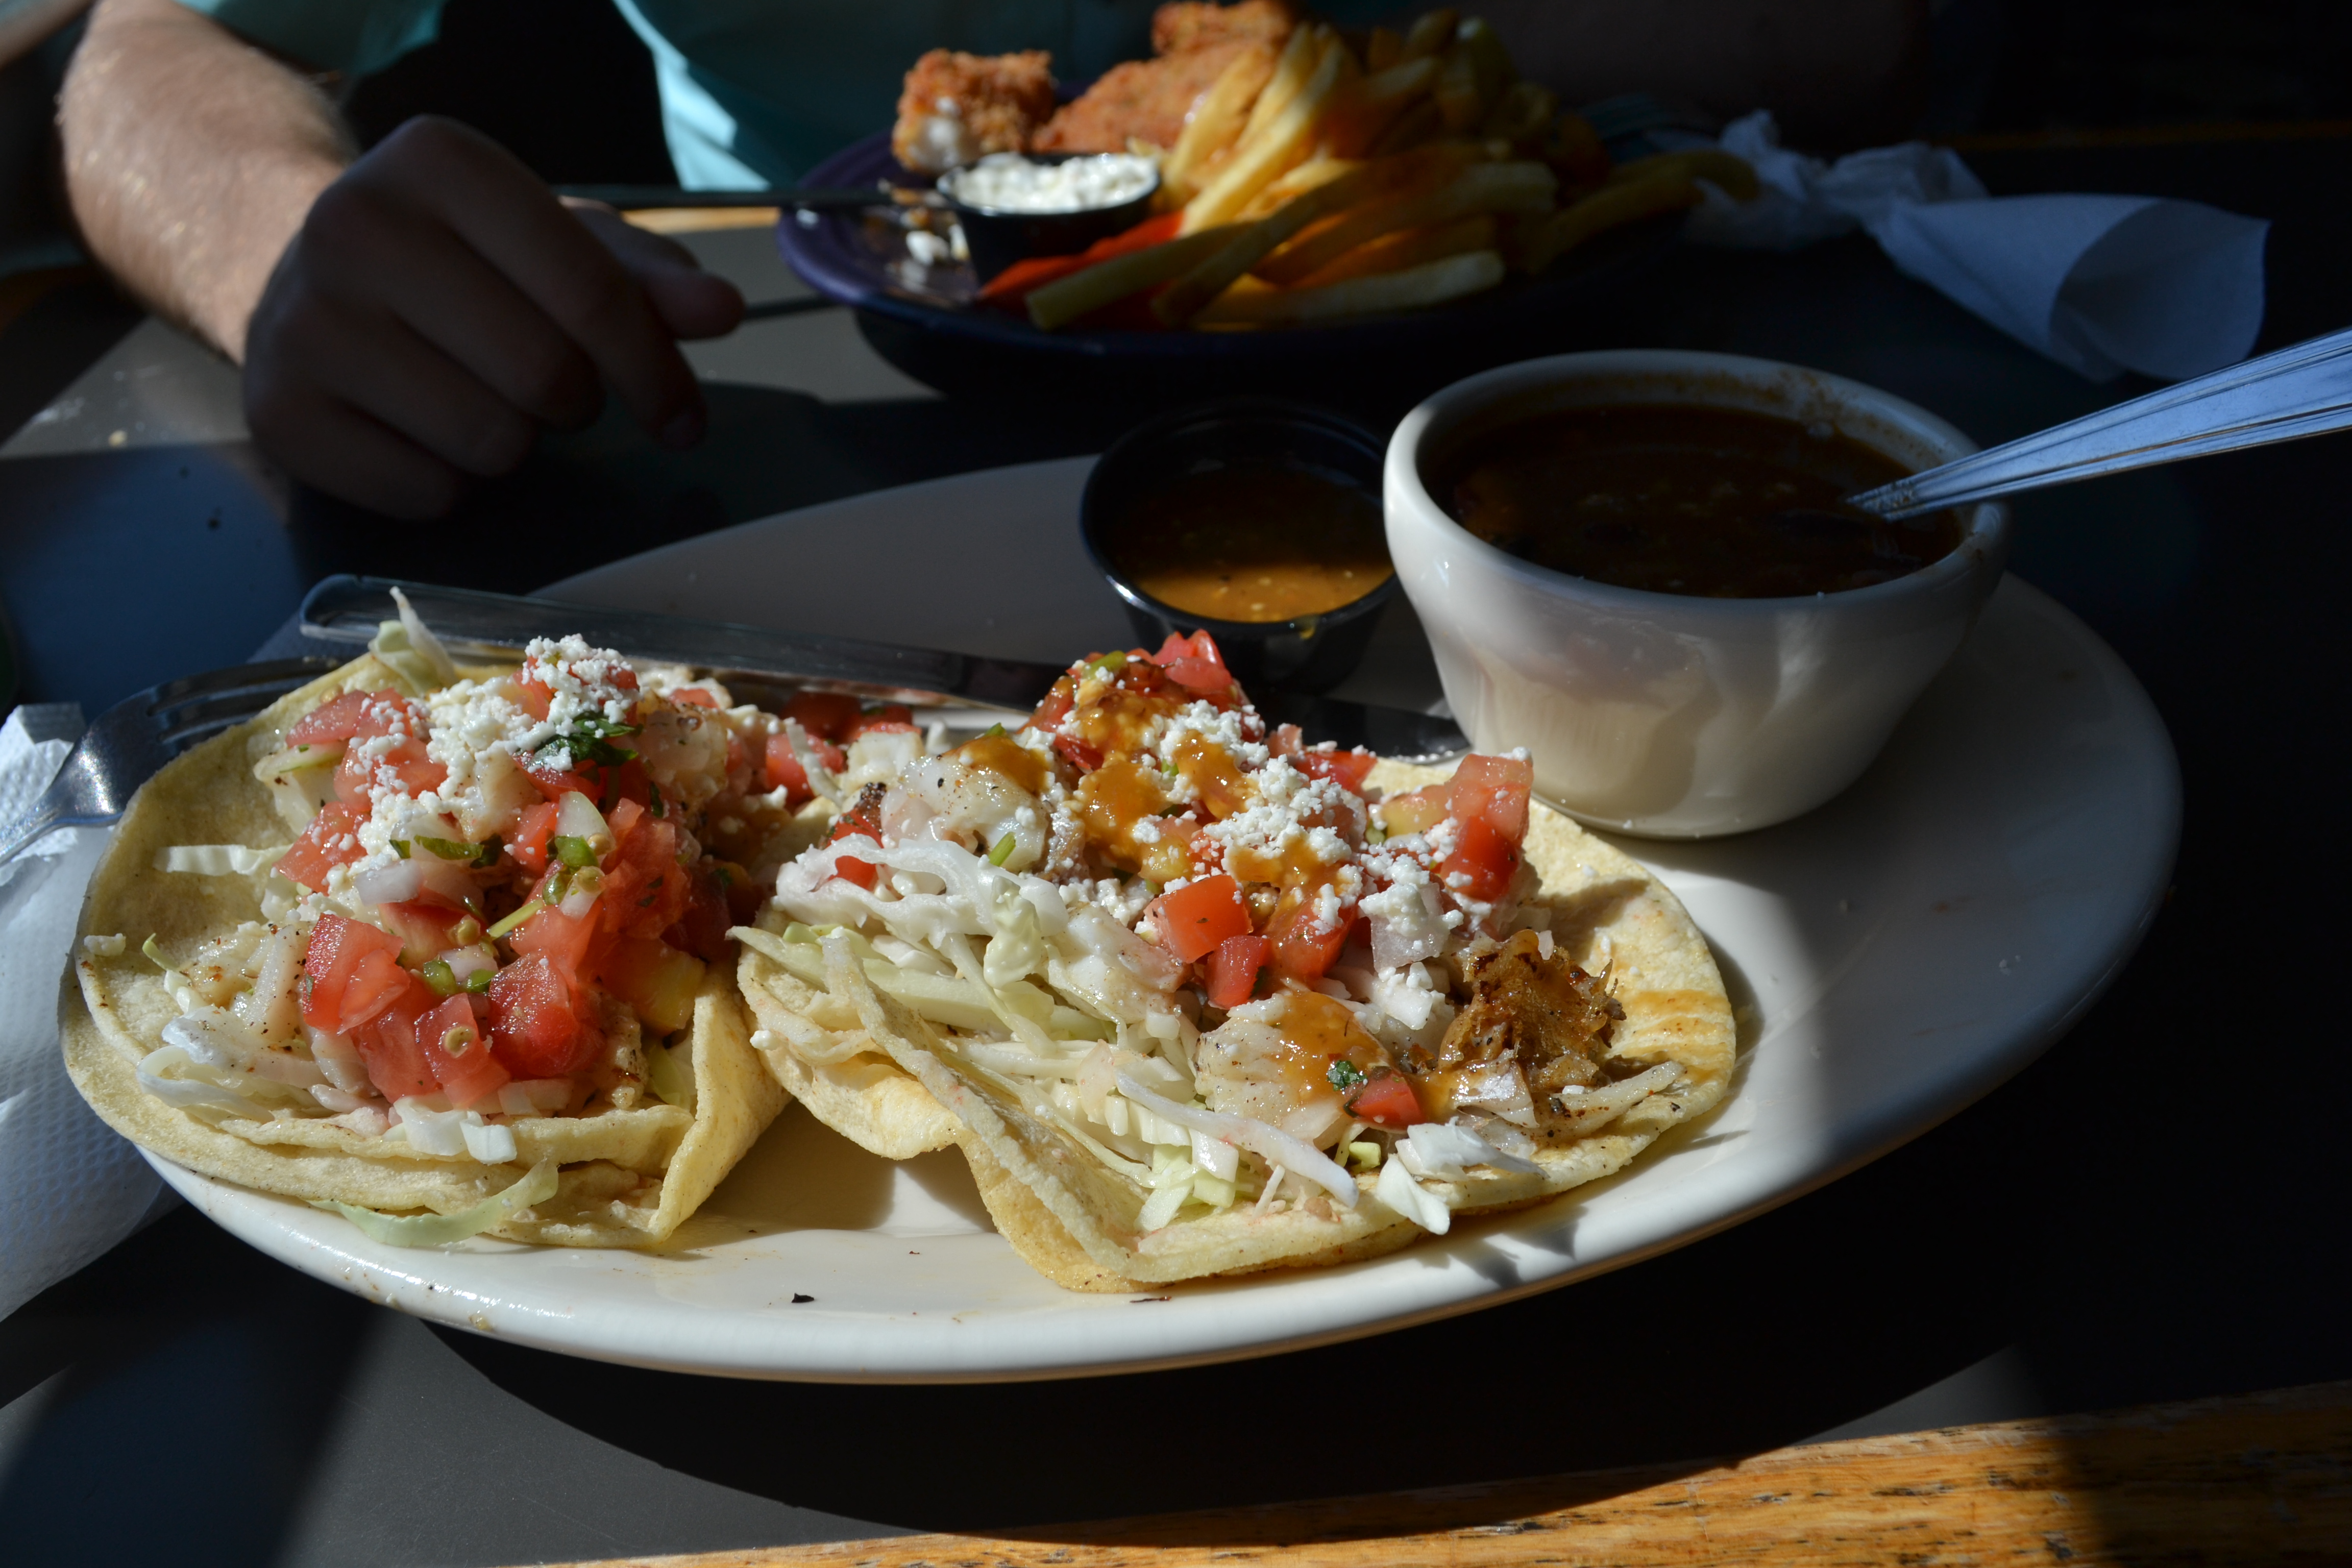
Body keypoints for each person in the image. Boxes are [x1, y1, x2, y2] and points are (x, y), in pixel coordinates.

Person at [56, 0, 1924, 518]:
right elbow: (151, 44)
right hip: (797, 420)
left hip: (1570, 392)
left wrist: (1341, 72)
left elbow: (1862, 35)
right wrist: (280, 243)